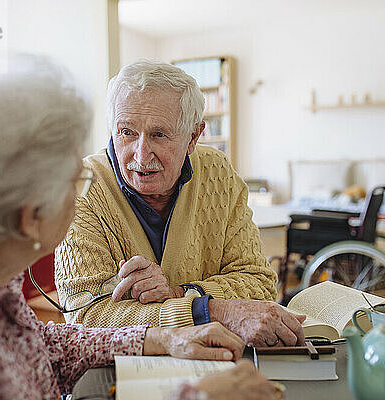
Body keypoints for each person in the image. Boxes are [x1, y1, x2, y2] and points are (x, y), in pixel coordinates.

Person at [0, 55, 280, 400]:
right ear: (30, 213)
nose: (133, 158)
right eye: (72, 181)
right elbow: (82, 315)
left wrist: (156, 340)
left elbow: (33, 344)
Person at [55, 59, 306, 348]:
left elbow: (259, 285)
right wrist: (208, 310)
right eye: (127, 132)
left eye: (158, 134)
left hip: (219, 360)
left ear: (193, 137)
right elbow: (86, 318)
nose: (140, 154)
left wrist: (176, 293)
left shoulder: (217, 172)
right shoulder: (83, 187)